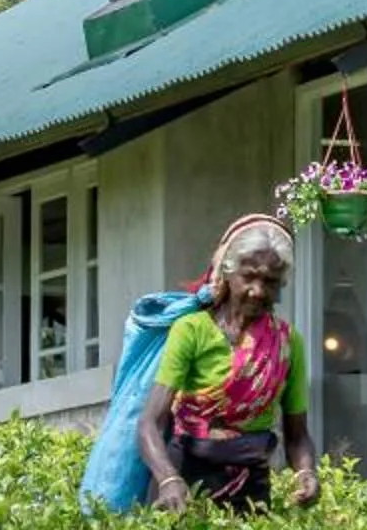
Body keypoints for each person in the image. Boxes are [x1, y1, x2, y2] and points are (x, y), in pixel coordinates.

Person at [137, 214, 321, 513]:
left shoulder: (288, 344)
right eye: (249, 276)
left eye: (271, 282)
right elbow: (149, 423)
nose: (258, 290)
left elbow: (297, 434)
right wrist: (168, 478)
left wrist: (306, 473)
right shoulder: (192, 330)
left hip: (250, 491)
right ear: (228, 272)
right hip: (183, 485)